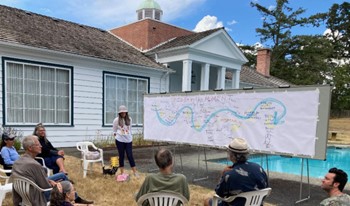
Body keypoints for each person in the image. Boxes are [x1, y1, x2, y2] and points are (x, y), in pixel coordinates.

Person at [11, 135, 93, 206]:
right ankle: (71, 199)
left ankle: (75, 197)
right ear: (30, 148)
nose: (41, 146)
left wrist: (49, 181)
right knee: (65, 182)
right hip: (37, 196)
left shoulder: (18, 162)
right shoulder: (34, 165)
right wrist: (57, 185)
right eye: (38, 144)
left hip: (25, 196)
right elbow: (45, 186)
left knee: (62, 175)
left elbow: (32, 179)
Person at [204, 138, 268, 206]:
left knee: (207, 201)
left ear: (232, 155)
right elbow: (266, 188)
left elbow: (219, 193)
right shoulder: (259, 168)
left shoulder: (229, 175)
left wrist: (223, 175)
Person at [113, 105, 137, 176]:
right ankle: (122, 173)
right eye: (122, 112)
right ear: (119, 113)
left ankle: (135, 172)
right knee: (121, 156)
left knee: (130, 155)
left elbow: (130, 129)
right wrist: (117, 137)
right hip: (120, 140)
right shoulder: (116, 120)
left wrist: (130, 136)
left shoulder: (130, 119)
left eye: (124, 112)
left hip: (128, 140)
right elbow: (114, 131)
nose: (123, 114)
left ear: (126, 112)